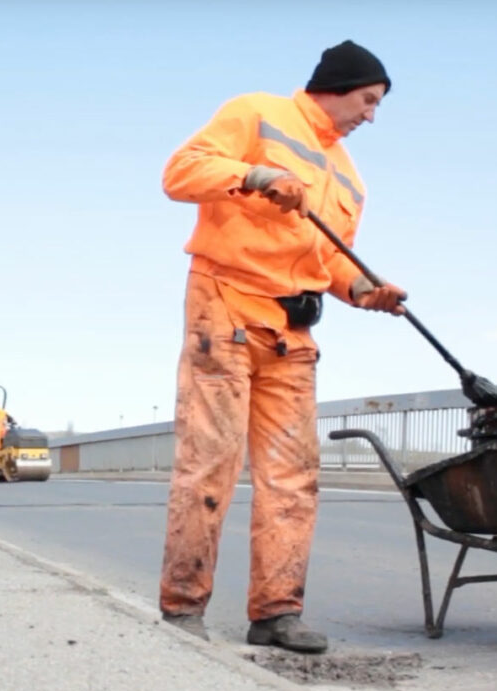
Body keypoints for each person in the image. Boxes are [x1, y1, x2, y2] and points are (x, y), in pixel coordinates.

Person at [157, 40, 406, 654]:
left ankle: (276, 614)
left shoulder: (349, 176)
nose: (370, 116)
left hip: (292, 331)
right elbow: (180, 174)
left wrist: (364, 288)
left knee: (294, 476)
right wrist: (254, 174)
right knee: (212, 459)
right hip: (225, 301)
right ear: (339, 85)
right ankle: (183, 609)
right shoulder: (258, 113)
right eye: (368, 100)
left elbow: (327, 262)